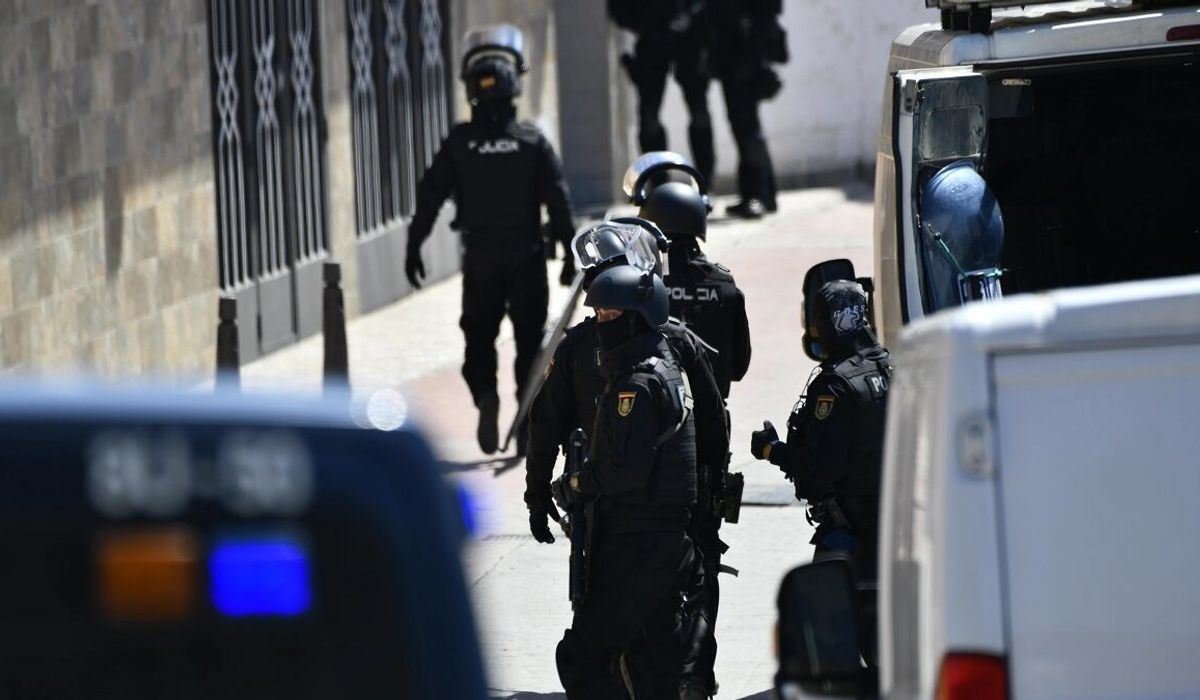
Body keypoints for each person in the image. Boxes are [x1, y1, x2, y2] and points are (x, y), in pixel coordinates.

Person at [525, 220, 727, 697]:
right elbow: (714, 423)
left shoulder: (583, 345)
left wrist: (540, 494)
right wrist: (709, 491)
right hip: (648, 504)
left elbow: (544, 427)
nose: (604, 320)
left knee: (603, 634)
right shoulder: (673, 340)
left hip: (617, 509)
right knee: (668, 614)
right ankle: (691, 676)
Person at [405, 25, 576, 455]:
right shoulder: (532, 142)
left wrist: (414, 243)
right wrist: (570, 253)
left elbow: (429, 195)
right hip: (526, 255)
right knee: (530, 340)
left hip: (480, 256)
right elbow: (558, 199)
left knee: (479, 337)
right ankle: (526, 419)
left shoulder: (460, 143)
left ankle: (486, 395)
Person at [550, 263, 698, 698]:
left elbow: (624, 471)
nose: (602, 325)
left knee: (584, 658)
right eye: (598, 315)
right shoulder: (665, 368)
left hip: (637, 540)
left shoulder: (637, 384)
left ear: (638, 318)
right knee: (654, 664)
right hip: (662, 538)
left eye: (611, 316)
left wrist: (575, 485)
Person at [748, 278, 891, 659]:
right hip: (892, 525)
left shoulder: (837, 385)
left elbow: (821, 466)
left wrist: (772, 450)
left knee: (826, 637)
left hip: (850, 530)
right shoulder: (891, 367)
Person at [608, 0, 716, 187]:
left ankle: (704, 182)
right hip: (652, 39)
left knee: (699, 111)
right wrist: (646, 22)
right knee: (649, 116)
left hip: (689, 39)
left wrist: (692, 16)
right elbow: (618, 9)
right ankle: (658, 181)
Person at [709, 0, 788, 218]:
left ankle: (758, 194)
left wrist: (750, 57)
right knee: (744, 126)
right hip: (732, 55)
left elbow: (766, 13)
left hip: (746, 56)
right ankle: (762, 193)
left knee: (747, 128)